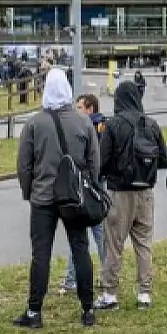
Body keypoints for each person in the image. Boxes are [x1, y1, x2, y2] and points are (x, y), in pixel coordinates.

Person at [14, 68, 100, 329]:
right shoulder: (84, 122)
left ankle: (34, 311)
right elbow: (94, 162)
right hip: (73, 196)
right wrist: (89, 186)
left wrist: (29, 191)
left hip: (43, 196)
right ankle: (87, 309)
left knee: (41, 254)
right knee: (80, 249)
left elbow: (23, 165)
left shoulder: (34, 124)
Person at [95, 80, 167, 311]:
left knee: (114, 243)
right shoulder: (151, 124)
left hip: (120, 191)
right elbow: (165, 159)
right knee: (144, 243)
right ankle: (144, 293)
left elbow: (101, 161)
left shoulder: (114, 125)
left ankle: (110, 293)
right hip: (146, 191)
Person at [57, 94, 108, 296]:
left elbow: (95, 159)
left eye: (80, 107)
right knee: (86, 236)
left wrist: (92, 183)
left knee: (91, 235)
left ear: (90, 109)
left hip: (89, 189)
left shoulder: (96, 128)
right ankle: (101, 276)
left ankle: (96, 276)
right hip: (89, 187)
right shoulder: (93, 126)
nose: (76, 110)